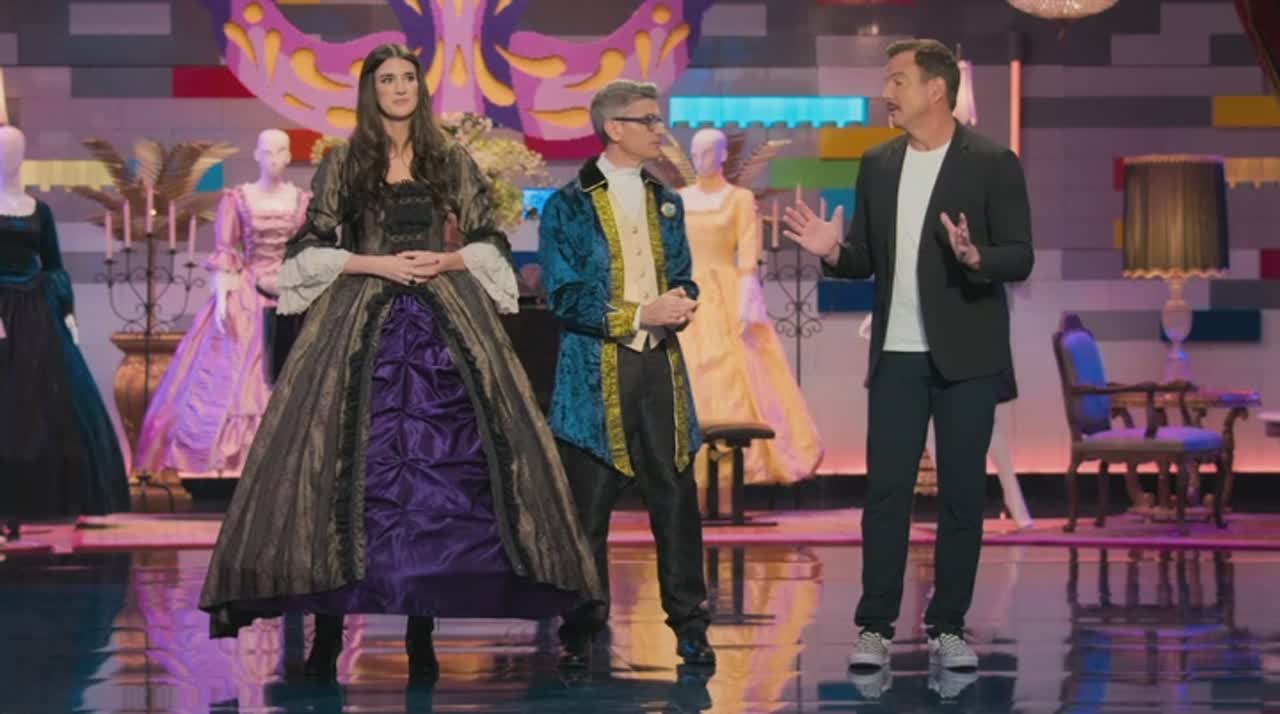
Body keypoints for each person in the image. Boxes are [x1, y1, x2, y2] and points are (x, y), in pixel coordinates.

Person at [197, 43, 602, 685]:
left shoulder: (448, 158)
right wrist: (375, 263)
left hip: (443, 316)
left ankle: (422, 631)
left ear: (420, 86)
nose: (398, 88)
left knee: (438, 484)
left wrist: (447, 260)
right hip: (361, 313)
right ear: (371, 89)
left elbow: (488, 237)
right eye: (386, 79)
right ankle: (328, 632)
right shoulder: (346, 160)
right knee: (342, 468)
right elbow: (312, 243)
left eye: (407, 78)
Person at [782, 39, 1033, 672]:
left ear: (935, 89)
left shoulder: (992, 161)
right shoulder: (878, 163)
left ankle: (948, 626)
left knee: (961, 499)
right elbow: (865, 258)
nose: (886, 93)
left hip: (967, 357)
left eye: (897, 80)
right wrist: (833, 251)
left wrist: (976, 256)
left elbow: (1019, 255)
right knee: (886, 496)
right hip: (896, 355)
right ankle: (875, 627)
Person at [538, 79, 715, 669]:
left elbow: (683, 273)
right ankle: (581, 627)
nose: (659, 130)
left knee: (676, 499)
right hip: (594, 373)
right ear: (614, 128)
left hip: (660, 366)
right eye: (648, 120)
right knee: (588, 509)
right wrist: (639, 314)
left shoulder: (667, 200)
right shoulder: (567, 205)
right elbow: (564, 296)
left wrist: (682, 300)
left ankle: (690, 625)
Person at [134, 129, 308, 478]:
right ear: (256, 155)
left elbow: (308, 253)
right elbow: (226, 250)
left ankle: (288, 463)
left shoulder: (303, 201)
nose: (274, 159)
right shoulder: (237, 198)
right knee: (233, 377)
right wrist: (223, 296)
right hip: (246, 296)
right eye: (267, 151)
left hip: (291, 295)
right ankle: (231, 463)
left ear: (290, 156)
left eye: (281, 151)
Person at [0, 124, 129, 542]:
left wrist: (68, 314)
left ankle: (57, 498)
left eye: (14, 150)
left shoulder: (39, 211)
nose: (7, 157)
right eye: (2, 150)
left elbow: (53, 264)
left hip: (38, 310)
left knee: (58, 401)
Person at [677, 128, 823, 494]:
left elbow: (747, 249)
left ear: (723, 155)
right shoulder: (678, 199)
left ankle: (736, 469)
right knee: (689, 371)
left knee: (737, 370)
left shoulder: (739, 199)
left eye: (708, 151)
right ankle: (686, 469)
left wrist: (747, 296)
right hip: (687, 292)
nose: (700, 158)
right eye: (695, 151)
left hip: (727, 291)